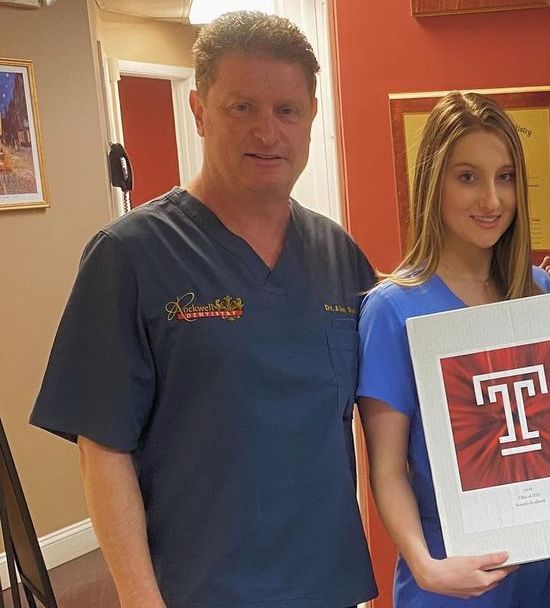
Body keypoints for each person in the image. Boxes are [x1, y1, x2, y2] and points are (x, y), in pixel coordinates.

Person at [29, 12, 377, 608]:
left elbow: (394, 408)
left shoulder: (338, 255)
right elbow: (103, 451)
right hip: (198, 590)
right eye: (242, 107)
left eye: (287, 110)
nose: (267, 133)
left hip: (328, 584)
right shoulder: (130, 257)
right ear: (199, 109)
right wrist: (141, 599)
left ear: (312, 118)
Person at [355, 91, 550, 607]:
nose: (491, 200)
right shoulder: (392, 309)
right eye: (467, 176)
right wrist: (427, 566)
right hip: (451, 578)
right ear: (433, 184)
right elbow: (386, 466)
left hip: (541, 573)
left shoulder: (538, 292)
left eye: (506, 176)